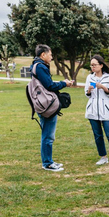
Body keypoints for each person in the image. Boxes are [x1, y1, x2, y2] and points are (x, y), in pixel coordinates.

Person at [32, 44, 74, 172]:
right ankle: (48, 163)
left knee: (47, 135)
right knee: (48, 136)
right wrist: (64, 83)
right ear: (43, 54)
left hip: (43, 103)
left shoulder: (37, 65)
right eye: (50, 54)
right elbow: (49, 85)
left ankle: (48, 161)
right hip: (47, 105)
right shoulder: (40, 67)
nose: (51, 57)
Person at [85, 54, 109, 167]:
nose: (93, 67)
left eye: (95, 65)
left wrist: (103, 87)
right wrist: (89, 90)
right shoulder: (89, 77)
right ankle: (103, 157)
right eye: (91, 65)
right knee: (97, 136)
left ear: (101, 65)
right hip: (93, 111)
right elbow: (87, 95)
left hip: (106, 110)